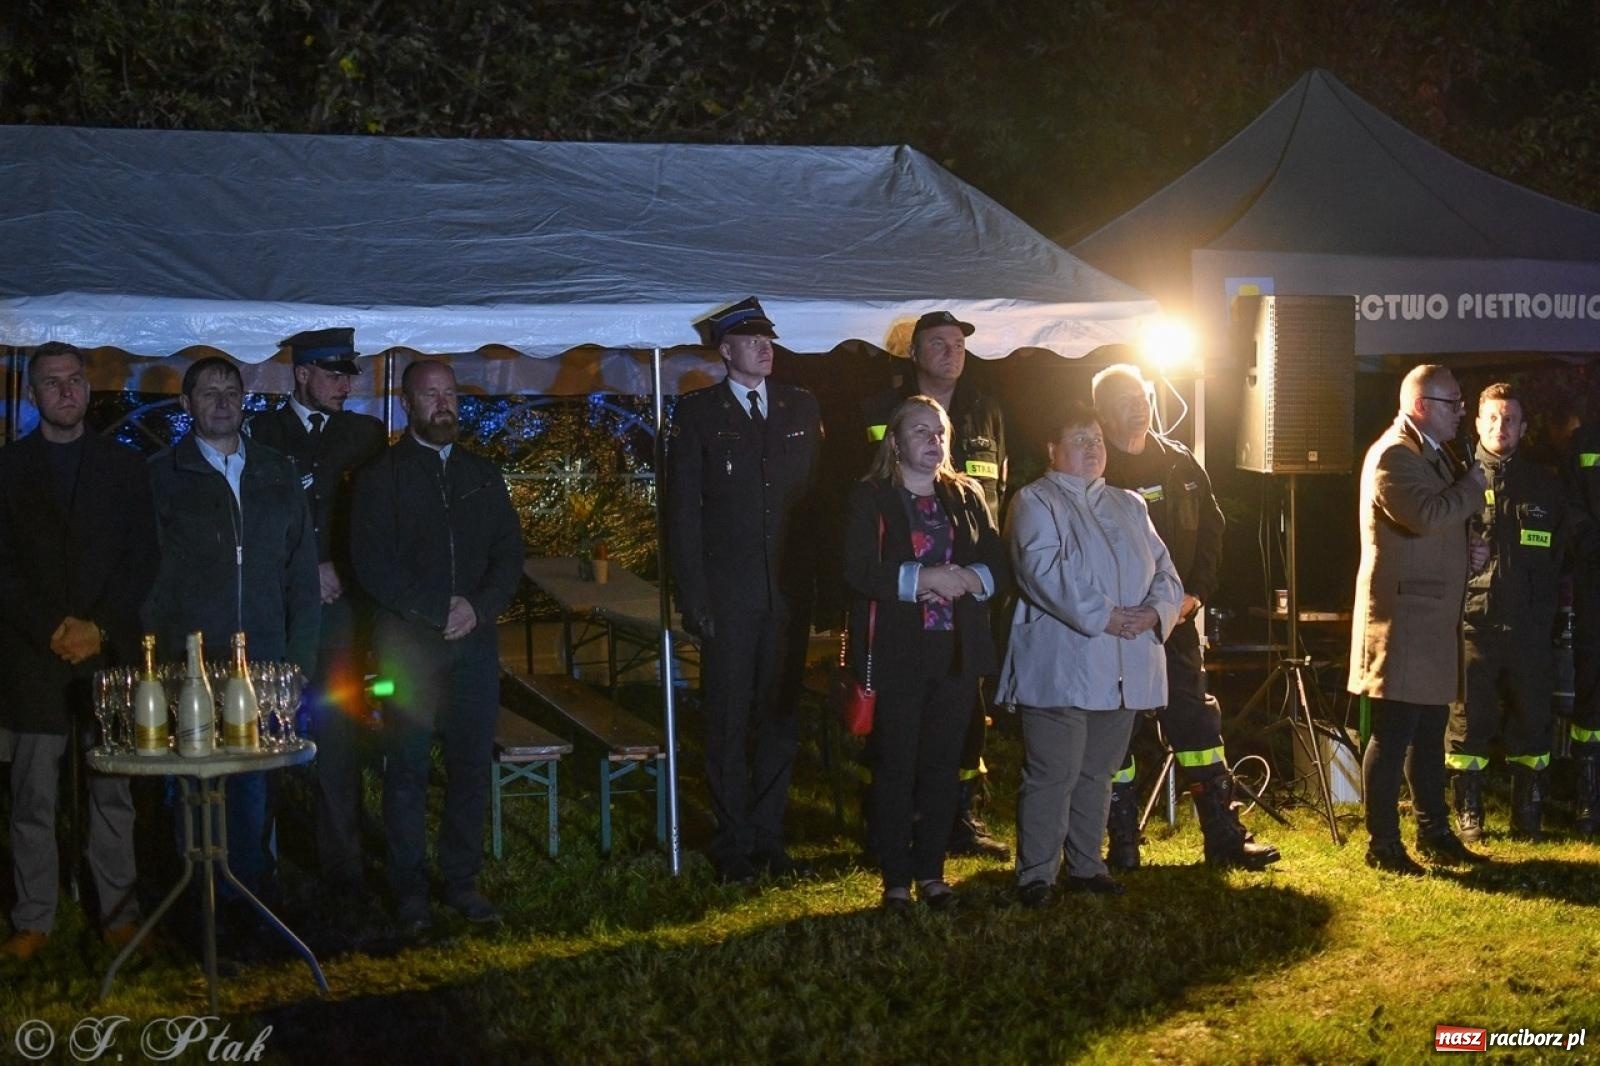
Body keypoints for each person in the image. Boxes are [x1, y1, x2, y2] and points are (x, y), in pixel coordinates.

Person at [350, 359, 524, 934]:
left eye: (449, 392)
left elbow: (508, 553)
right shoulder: (382, 477)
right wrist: (430, 609)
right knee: (407, 769)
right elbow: (371, 561)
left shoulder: (482, 475)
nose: (443, 403)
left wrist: (479, 606)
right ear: (407, 403)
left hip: (474, 645)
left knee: (471, 766)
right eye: (430, 394)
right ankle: (408, 887)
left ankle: (461, 879)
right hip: (411, 647)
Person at [0, 342, 158, 961]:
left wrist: (99, 626)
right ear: (33, 394)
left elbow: (142, 559)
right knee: (33, 795)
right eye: (51, 382)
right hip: (32, 657)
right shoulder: (8, 468)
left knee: (112, 790)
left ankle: (118, 912)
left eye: (74, 380)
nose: (65, 391)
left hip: (105, 655)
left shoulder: (125, 469)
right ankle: (34, 916)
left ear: (88, 392)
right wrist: (49, 627)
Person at [144, 355, 321, 901]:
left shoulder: (276, 470)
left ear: (243, 400)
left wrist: (299, 662)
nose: (221, 400)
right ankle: (198, 904)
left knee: (252, 787)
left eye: (230, 390)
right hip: (193, 663)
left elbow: (301, 572)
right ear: (186, 403)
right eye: (207, 391)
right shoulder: (161, 476)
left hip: (263, 661)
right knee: (193, 789)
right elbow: (145, 573)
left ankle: (247, 901)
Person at [1092, 363, 1278, 870]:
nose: (1140, 403)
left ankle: (1224, 837)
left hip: (1175, 626)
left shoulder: (1180, 464)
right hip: (1117, 630)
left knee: (1197, 725)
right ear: (1103, 412)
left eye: (1144, 394)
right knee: (1117, 732)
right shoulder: (1095, 466)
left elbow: (1213, 534)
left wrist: (1195, 594)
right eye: (1126, 397)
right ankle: (1121, 843)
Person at [999, 402, 1182, 907]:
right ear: (1052, 450)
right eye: (1079, 440)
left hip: (1122, 666)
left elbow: (1166, 570)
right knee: (1053, 773)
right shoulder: (1035, 501)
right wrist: (1106, 616)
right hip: (1062, 663)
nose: (1092, 448)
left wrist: (1154, 613)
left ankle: (1086, 865)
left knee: (1097, 773)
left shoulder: (1130, 504)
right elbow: (1043, 570)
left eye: (1097, 439)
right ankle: (1036, 874)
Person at [668, 297, 823, 884]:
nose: (766, 347)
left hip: (785, 595)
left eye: (769, 339)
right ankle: (733, 838)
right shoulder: (699, 414)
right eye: (752, 339)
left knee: (780, 718)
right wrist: (695, 598)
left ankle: (768, 834)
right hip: (729, 598)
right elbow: (683, 515)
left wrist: (817, 587)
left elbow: (814, 505)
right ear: (725, 350)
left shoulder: (800, 406)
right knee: (729, 720)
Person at [843, 396, 1009, 911]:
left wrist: (969, 579)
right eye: (920, 431)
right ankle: (896, 880)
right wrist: (921, 580)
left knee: (942, 765)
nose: (933, 441)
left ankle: (933, 874)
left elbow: (1000, 564)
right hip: (898, 653)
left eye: (939, 432)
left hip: (956, 654)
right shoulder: (870, 497)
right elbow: (856, 569)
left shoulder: (967, 495)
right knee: (896, 765)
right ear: (895, 441)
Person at [861, 310, 1009, 860]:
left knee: (964, 716)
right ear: (915, 353)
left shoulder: (985, 413)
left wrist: (975, 579)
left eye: (959, 344)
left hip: (967, 600)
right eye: (939, 344)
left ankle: (956, 818)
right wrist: (919, 578)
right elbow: (869, 506)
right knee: (899, 728)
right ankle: (894, 826)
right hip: (905, 606)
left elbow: (999, 495)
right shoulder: (879, 412)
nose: (953, 353)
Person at [248, 327, 387, 901]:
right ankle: (258, 864)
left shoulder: (365, 435)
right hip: (276, 610)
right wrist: (308, 568)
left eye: (349, 374)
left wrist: (345, 573)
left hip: (338, 613)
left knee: (338, 736)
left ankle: (343, 867)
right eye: (334, 374)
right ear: (301, 374)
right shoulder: (261, 433)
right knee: (262, 734)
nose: (346, 385)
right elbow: (254, 523)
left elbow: (376, 522)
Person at [1349, 364, 1488, 874]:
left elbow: (1437, 526)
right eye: (1453, 403)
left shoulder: (1431, 455)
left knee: (1429, 732)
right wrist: (1473, 486)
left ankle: (1434, 832)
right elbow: (1424, 515)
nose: (1461, 412)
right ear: (1422, 405)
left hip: (1429, 618)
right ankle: (1383, 843)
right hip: (1404, 618)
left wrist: (1465, 550)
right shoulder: (1393, 455)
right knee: (1393, 732)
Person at [1446, 383, 1570, 841]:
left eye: (1510, 419)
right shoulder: (1456, 478)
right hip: (1473, 623)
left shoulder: (1545, 484)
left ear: (1523, 427)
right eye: (1493, 418)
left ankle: (1527, 812)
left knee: (1532, 721)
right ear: (1478, 423)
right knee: (1467, 723)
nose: (1501, 427)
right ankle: (1469, 812)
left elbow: (1563, 552)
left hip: (1530, 628)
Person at [1566, 416, 1600, 835]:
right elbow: (1571, 508)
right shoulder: (1587, 440)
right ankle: (1588, 798)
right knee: (1592, 690)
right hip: (1596, 583)